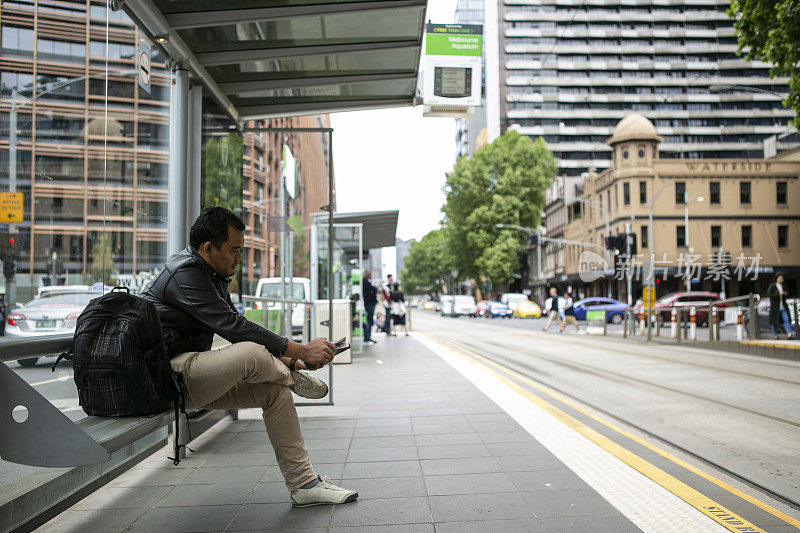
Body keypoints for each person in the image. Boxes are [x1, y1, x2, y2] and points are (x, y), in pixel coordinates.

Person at [142, 207, 357, 507]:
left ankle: (304, 484)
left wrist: (294, 359)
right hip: (165, 380)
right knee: (250, 352)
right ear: (208, 248)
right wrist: (301, 350)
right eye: (234, 250)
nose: (239, 258)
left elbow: (235, 325)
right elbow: (234, 329)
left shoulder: (212, 274)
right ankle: (294, 378)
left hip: (188, 377)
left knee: (274, 391)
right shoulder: (186, 274)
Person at [767, 273, 795, 340]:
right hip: (775, 307)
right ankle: (775, 335)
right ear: (777, 278)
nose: (781, 279)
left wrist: (785, 293)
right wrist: (778, 294)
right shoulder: (773, 286)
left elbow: (788, 294)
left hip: (783, 307)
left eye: (782, 278)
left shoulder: (784, 286)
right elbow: (769, 294)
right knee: (775, 322)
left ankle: (789, 334)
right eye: (780, 278)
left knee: (786, 319)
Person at [362, 270, 378, 345]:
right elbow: (373, 289)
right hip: (369, 303)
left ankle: (368, 337)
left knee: (370, 320)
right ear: (367, 275)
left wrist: (373, 290)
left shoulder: (366, 282)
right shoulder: (365, 282)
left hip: (370, 303)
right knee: (369, 320)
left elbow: (373, 290)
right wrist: (373, 289)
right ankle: (367, 338)